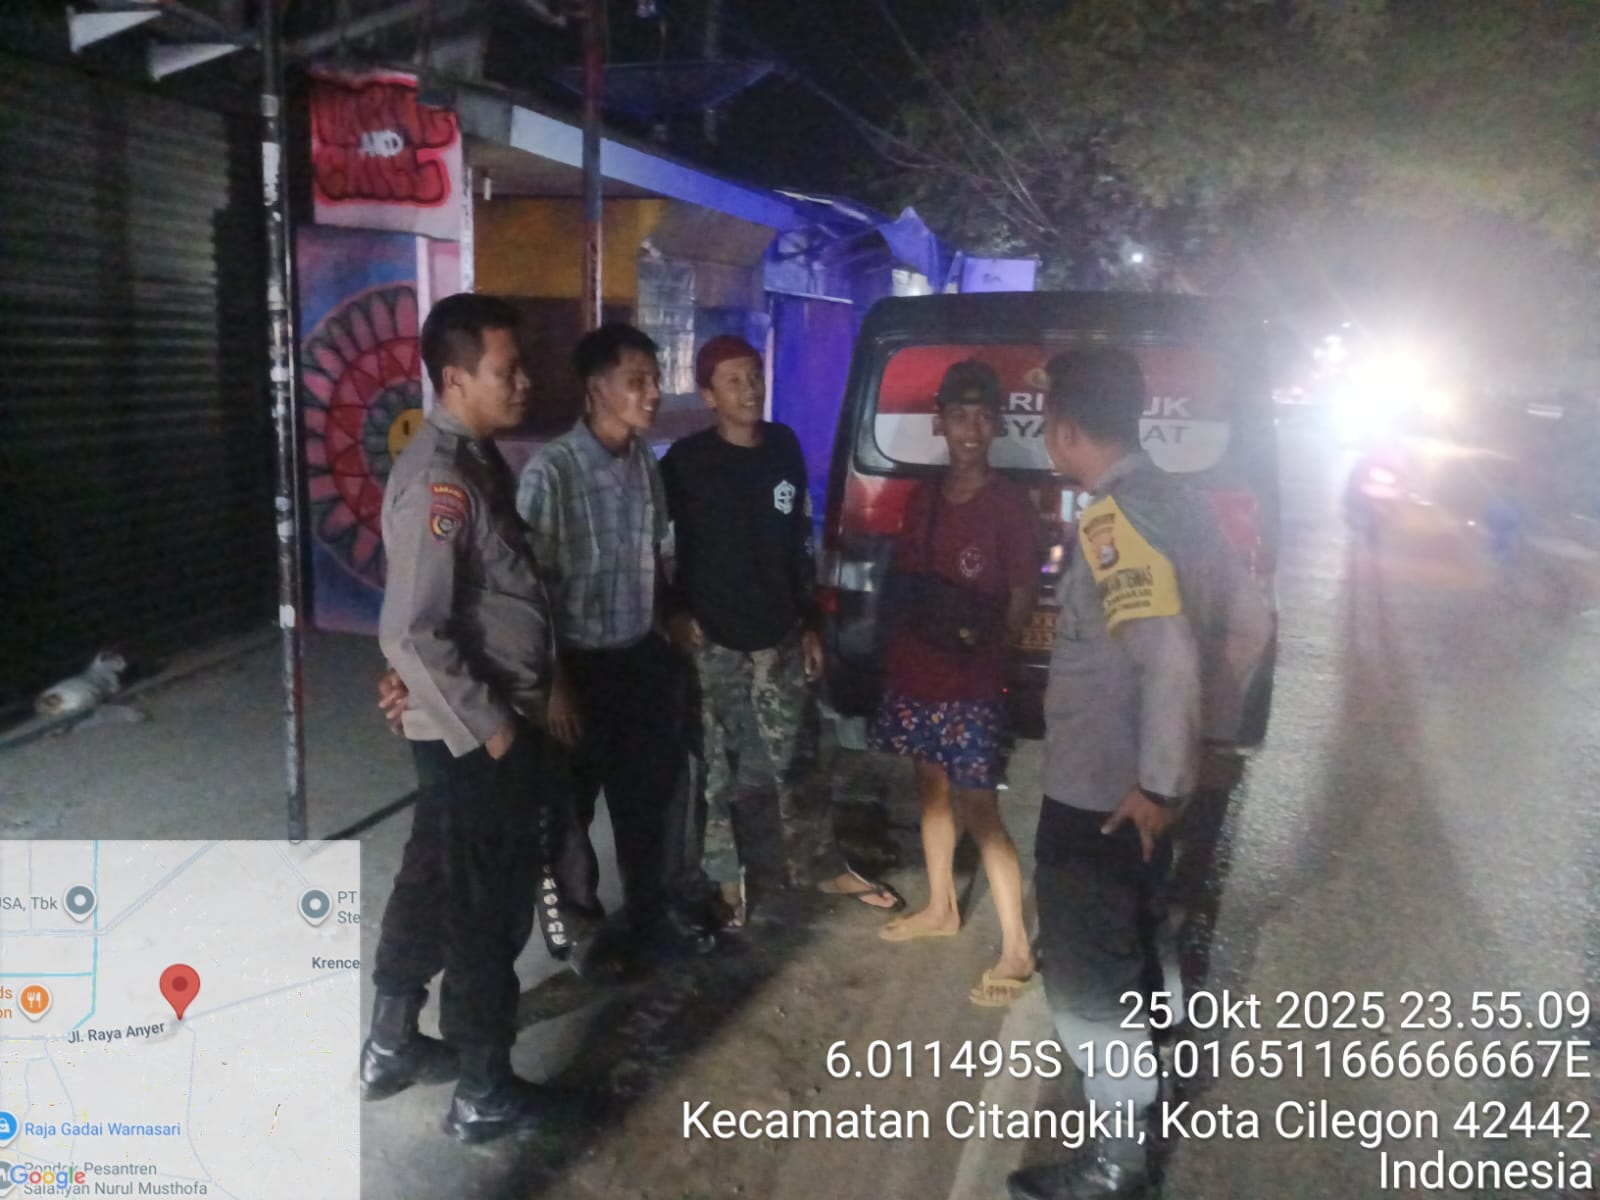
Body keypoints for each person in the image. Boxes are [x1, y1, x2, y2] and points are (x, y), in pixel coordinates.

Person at [1007, 347, 1269, 1200]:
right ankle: (1150, 1098)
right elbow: (1251, 623)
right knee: (1146, 942)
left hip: (1104, 798)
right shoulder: (1186, 504)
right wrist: (1197, 753)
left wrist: (1158, 781)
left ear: (1065, 430)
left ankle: (1116, 1166)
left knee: (1091, 984)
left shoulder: (1114, 522)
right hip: (1153, 793)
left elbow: (1169, 654)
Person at [363, 292, 563, 1144]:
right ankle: (482, 1088)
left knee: (436, 877)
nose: (523, 382)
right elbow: (413, 629)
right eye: (505, 371)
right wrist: (494, 727)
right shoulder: (441, 479)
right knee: (486, 907)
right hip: (478, 733)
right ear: (455, 379)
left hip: (468, 724)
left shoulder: (476, 461)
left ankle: (391, 1043)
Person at [661, 335, 903, 926]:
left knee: (798, 759)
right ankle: (727, 882)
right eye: (734, 381)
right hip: (713, 639)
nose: (750, 390)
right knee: (717, 768)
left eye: (754, 376)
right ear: (708, 395)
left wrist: (812, 622)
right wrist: (672, 612)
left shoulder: (783, 447)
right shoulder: (685, 463)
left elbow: (800, 544)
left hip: (781, 634)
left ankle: (821, 865)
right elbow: (652, 545)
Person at [516, 323, 715, 958]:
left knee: (648, 799)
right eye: (638, 381)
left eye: (655, 380)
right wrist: (555, 685)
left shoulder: (643, 465)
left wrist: (670, 620)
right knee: (570, 811)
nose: (653, 393)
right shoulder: (552, 473)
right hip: (576, 668)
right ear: (596, 388)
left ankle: (649, 918)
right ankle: (578, 930)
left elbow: (656, 556)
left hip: (637, 658)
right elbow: (530, 593)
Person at [870, 359, 1040, 1006]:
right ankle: (941, 906)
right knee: (931, 793)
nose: (971, 430)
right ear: (939, 421)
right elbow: (909, 585)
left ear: (997, 425)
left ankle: (1017, 948)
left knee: (981, 810)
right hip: (919, 673)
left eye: (984, 417)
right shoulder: (925, 497)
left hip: (971, 683)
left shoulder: (1009, 504)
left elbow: (1021, 595)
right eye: (960, 416)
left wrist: (991, 656)